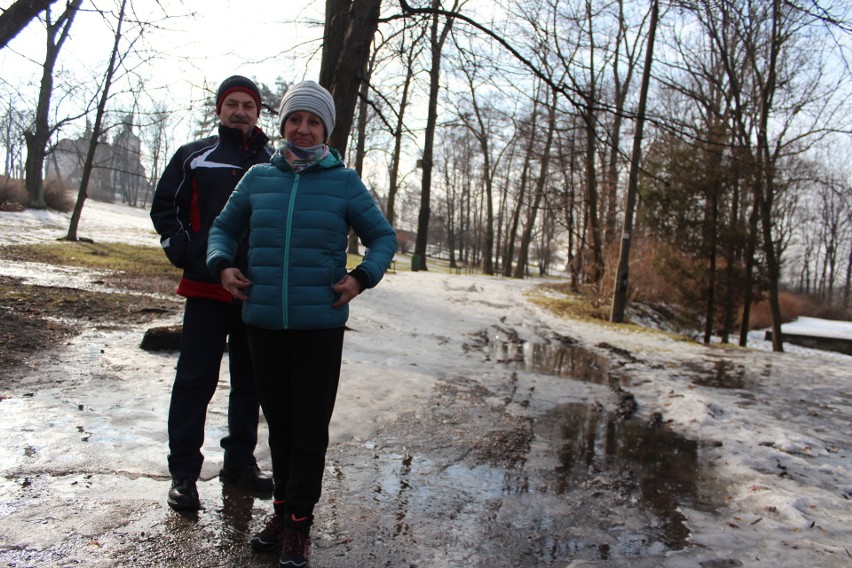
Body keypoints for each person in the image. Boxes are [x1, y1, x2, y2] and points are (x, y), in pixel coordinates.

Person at [207, 80, 396, 567]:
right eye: (296, 119)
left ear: (326, 129)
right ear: (284, 123)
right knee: (281, 429)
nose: (304, 129)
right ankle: (282, 510)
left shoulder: (345, 182)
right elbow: (223, 229)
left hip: (319, 326)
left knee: (309, 429)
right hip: (264, 322)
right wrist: (223, 264)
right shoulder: (257, 178)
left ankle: (298, 526)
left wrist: (359, 279)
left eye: (314, 121)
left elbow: (382, 238)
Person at [150, 75, 275, 511]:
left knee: (250, 384)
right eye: (232, 104)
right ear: (220, 110)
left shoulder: (275, 162)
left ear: (259, 113)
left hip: (254, 293)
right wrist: (188, 253)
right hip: (205, 287)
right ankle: (184, 473)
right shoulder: (195, 156)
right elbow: (166, 208)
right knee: (194, 380)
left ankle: (239, 463)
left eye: (248, 105)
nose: (240, 111)